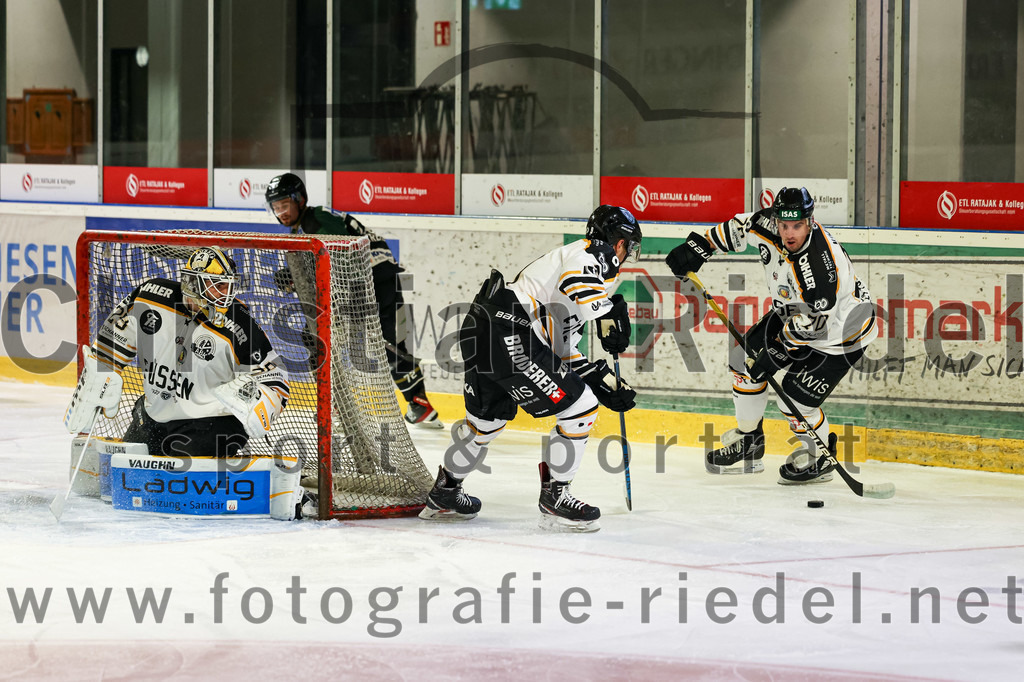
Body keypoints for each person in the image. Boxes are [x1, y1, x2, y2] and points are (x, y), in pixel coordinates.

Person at [418, 205, 642, 532]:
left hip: (485, 327)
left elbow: (559, 351)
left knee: (486, 423)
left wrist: (599, 379)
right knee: (581, 408)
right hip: (510, 331)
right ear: (618, 242)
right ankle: (556, 496)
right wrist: (609, 311)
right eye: (627, 246)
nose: (624, 254)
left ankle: (446, 492)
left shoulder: (561, 271)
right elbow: (582, 287)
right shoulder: (594, 251)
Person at [665, 187, 877, 484]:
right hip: (795, 312)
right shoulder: (767, 224)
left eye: (798, 226)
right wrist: (699, 246)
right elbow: (739, 227)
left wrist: (777, 352)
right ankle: (749, 440)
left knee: (794, 397)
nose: (790, 234)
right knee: (744, 360)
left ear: (811, 222)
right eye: (784, 225)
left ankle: (820, 457)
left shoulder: (820, 266)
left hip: (842, 332)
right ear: (776, 219)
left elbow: (816, 325)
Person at [64, 246, 290, 459]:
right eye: (218, 285)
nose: (226, 293)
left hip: (212, 424)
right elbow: (108, 346)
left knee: (176, 485)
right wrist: (99, 377)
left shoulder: (240, 326)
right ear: (192, 283)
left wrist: (264, 401)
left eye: (228, 285)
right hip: (155, 416)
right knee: (127, 475)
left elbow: (275, 378)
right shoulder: (149, 297)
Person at [264, 172, 442, 429]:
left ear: (300, 199)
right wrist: (293, 276)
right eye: (276, 207)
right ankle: (405, 403)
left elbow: (341, 253)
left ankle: (346, 404)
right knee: (325, 337)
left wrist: (298, 276)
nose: (280, 212)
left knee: (383, 344)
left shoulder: (316, 220)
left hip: (372, 281)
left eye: (284, 204)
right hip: (373, 279)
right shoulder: (305, 225)